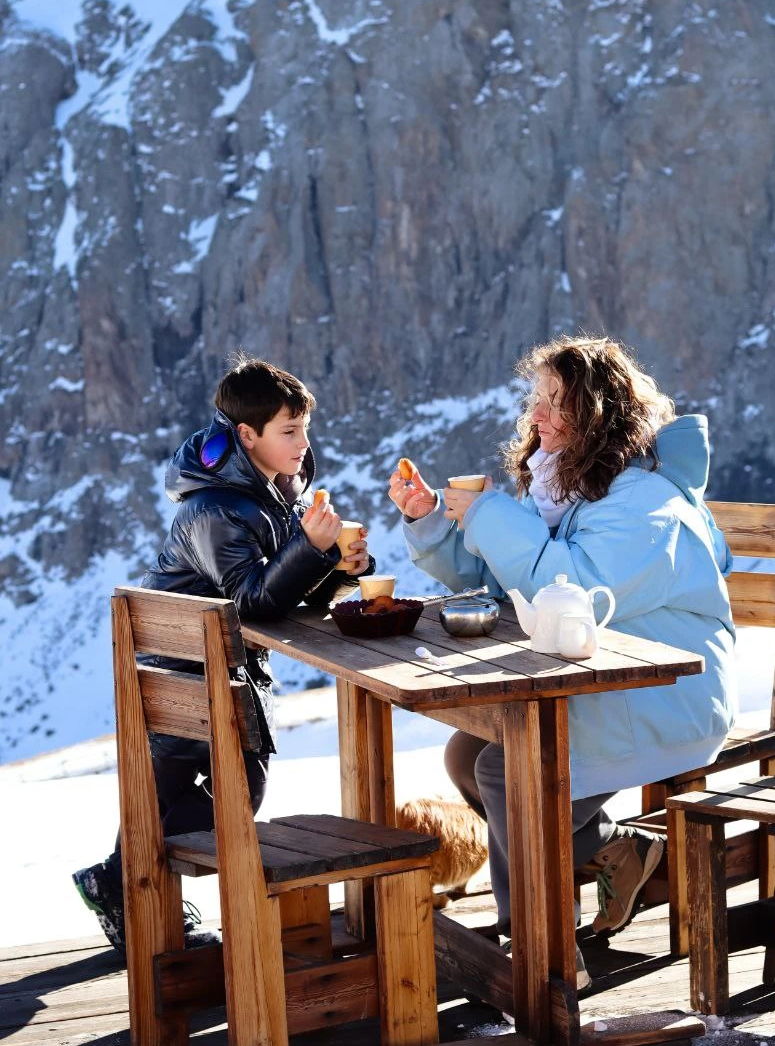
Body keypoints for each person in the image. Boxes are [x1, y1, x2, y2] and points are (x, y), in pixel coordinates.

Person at [389, 335, 737, 987]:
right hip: (605, 681)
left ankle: (539, 953)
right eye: (537, 398)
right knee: (467, 755)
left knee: (506, 770)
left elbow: (572, 588)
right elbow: (507, 581)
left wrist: (491, 514)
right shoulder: (568, 487)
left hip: (671, 692)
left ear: (600, 414)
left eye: (557, 400)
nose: (538, 415)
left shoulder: (645, 502)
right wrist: (434, 523)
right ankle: (617, 849)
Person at [74, 355, 372, 953]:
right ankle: (123, 885)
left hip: (217, 670)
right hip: (184, 677)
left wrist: (337, 567)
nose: (303, 443)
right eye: (290, 431)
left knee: (219, 795)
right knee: (230, 801)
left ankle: (120, 884)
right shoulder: (213, 509)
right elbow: (253, 601)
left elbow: (282, 595)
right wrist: (312, 549)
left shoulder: (273, 492)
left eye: (305, 428)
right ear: (247, 435)